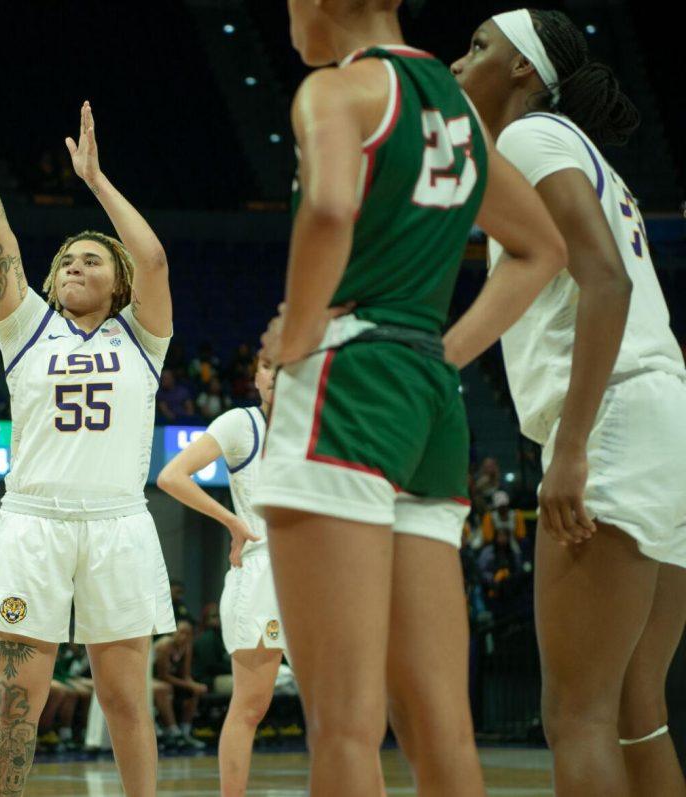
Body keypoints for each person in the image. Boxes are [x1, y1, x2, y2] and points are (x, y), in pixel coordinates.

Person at [251, 3, 567, 795]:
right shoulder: (455, 105)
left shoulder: (336, 91)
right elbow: (541, 249)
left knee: (343, 723)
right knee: (438, 720)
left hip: (348, 386)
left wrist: (295, 338)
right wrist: (446, 349)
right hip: (430, 396)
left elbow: (328, 208)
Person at [454, 10, 686, 795]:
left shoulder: (528, 138)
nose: (460, 61)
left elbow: (605, 280)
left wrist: (576, 443)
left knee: (575, 715)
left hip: (613, 413)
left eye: (480, 46)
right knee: (633, 707)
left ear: (525, 69)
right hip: (663, 413)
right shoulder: (573, 153)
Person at [0, 100, 175, 796]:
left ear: (116, 281)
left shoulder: (141, 337)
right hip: (34, 522)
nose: (73, 264)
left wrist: (94, 179)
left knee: (127, 702)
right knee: (17, 701)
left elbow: (154, 256)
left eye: (91, 258)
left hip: (118, 523)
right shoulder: (26, 327)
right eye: (66, 258)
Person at [157, 354, 282, 793]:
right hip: (261, 574)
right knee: (251, 706)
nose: (278, 375)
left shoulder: (323, 426)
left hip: (314, 578)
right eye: (270, 366)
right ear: (257, 376)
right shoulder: (240, 424)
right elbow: (172, 476)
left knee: (341, 706)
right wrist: (232, 522)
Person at [152, 620, 208, 750]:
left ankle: (185, 732)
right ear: (174, 632)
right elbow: (162, 675)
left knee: (194, 691)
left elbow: (185, 675)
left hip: (169, 680)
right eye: (181, 632)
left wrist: (193, 685)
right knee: (164, 688)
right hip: (151, 678)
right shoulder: (165, 645)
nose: (184, 636)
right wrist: (189, 685)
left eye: (188, 634)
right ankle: (173, 731)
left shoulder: (187, 647)